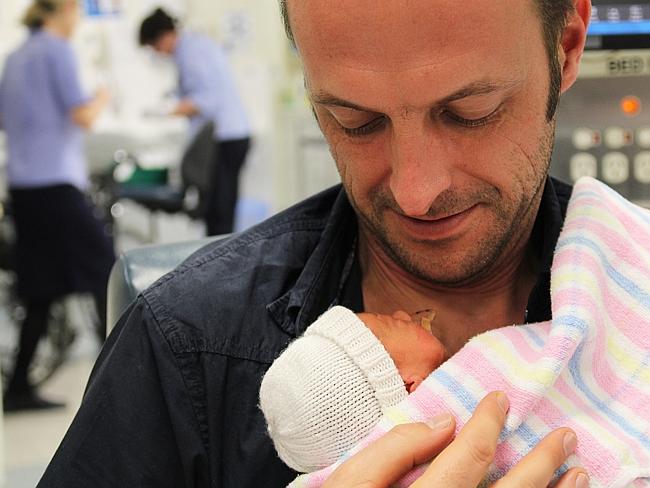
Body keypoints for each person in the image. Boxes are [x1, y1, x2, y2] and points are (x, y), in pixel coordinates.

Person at [37, 0, 599, 486]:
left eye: (469, 113)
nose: (415, 193)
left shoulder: (632, 289)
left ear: (567, 48)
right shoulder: (185, 347)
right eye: (355, 121)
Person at [0, 0, 115, 412]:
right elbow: (83, 116)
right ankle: (117, 386)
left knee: (40, 289)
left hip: (24, 190)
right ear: (64, 9)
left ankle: (16, 388)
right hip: (57, 185)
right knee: (108, 273)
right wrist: (103, 95)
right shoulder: (57, 50)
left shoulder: (13, 57)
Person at [138, 7, 251, 236]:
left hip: (225, 138)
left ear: (163, 37)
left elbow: (206, 99)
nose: (158, 53)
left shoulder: (190, 51)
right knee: (216, 209)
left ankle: (221, 266)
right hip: (229, 135)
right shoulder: (193, 47)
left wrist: (166, 112)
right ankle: (217, 261)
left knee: (220, 212)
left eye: (154, 47)